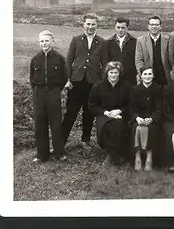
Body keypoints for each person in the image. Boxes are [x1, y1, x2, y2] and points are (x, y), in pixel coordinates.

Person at [62, 13, 108, 149]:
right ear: (84, 24)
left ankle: (85, 141)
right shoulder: (76, 40)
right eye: (88, 24)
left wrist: (101, 82)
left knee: (89, 113)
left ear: (97, 25)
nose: (90, 27)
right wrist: (67, 79)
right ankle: (60, 142)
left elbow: (105, 62)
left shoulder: (102, 42)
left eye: (93, 24)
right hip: (76, 81)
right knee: (71, 113)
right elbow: (69, 60)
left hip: (93, 83)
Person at [29, 30, 68, 162]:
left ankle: (59, 153)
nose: (44, 43)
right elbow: (32, 79)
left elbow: (64, 78)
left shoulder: (59, 58)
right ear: (39, 43)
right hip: (39, 94)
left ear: (52, 41)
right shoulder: (35, 59)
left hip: (54, 92)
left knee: (56, 123)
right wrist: (37, 91)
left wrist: (56, 90)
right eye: (41, 41)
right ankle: (42, 155)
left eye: (46, 40)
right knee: (40, 124)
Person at [89, 61, 131, 166]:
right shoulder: (98, 86)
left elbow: (130, 104)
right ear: (107, 73)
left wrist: (119, 111)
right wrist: (106, 113)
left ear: (119, 73)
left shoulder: (126, 86)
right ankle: (109, 154)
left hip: (121, 114)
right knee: (107, 127)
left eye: (116, 73)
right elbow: (92, 105)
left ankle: (118, 154)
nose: (113, 75)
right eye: (111, 72)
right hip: (104, 115)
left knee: (119, 125)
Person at [129, 67, 163, 171]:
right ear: (141, 76)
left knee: (151, 128)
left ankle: (149, 158)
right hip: (139, 117)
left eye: (149, 74)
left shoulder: (158, 89)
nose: (147, 76)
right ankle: (138, 158)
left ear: (153, 76)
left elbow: (159, 108)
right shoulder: (135, 89)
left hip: (152, 117)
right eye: (145, 74)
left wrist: (152, 118)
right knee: (136, 128)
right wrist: (137, 118)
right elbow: (131, 107)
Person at [135, 15, 170, 88]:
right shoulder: (141, 41)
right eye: (152, 24)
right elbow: (139, 60)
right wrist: (143, 75)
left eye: (157, 24)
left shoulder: (168, 40)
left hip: (165, 78)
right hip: (148, 78)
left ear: (160, 26)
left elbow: (171, 58)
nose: (154, 26)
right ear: (148, 26)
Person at [106, 17, 137, 85]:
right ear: (115, 27)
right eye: (118, 27)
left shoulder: (135, 42)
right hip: (114, 79)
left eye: (123, 28)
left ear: (127, 28)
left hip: (131, 78)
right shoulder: (108, 42)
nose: (120, 30)